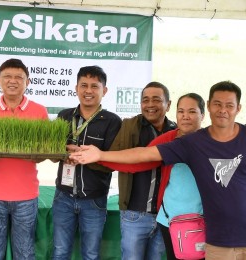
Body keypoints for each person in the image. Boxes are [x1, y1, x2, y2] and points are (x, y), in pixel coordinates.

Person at [70, 81, 246, 260]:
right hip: (203, 234)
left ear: (238, 108)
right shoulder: (188, 143)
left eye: (229, 105)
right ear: (209, 106)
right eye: (217, 104)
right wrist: (101, 155)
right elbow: (142, 156)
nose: (223, 110)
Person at [100, 93, 205, 260]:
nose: (185, 116)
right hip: (170, 221)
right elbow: (139, 159)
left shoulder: (212, 142)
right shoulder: (170, 140)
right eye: (181, 111)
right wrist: (99, 158)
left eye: (192, 111)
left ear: (203, 115)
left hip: (203, 222)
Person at [0, 58, 48, 259]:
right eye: (7, 76)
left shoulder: (39, 111)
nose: (13, 81)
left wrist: (38, 154)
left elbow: (44, 152)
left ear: (28, 82)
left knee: (25, 252)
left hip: (26, 195)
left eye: (19, 77)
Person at [52, 66, 121, 259]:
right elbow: (52, 153)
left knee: (90, 254)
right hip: (63, 196)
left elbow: (113, 161)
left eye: (94, 86)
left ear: (104, 91)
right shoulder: (64, 116)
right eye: (83, 85)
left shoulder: (112, 121)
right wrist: (64, 152)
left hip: (94, 199)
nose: (88, 91)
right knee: (59, 251)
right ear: (76, 88)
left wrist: (85, 156)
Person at [108, 81, 175, 260]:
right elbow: (116, 158)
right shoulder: (130, 126)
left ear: (168, 105)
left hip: (164, 216)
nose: (150, 105)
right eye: (145, 100)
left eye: (156, 100)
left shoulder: (176, 132)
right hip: (134, 214)